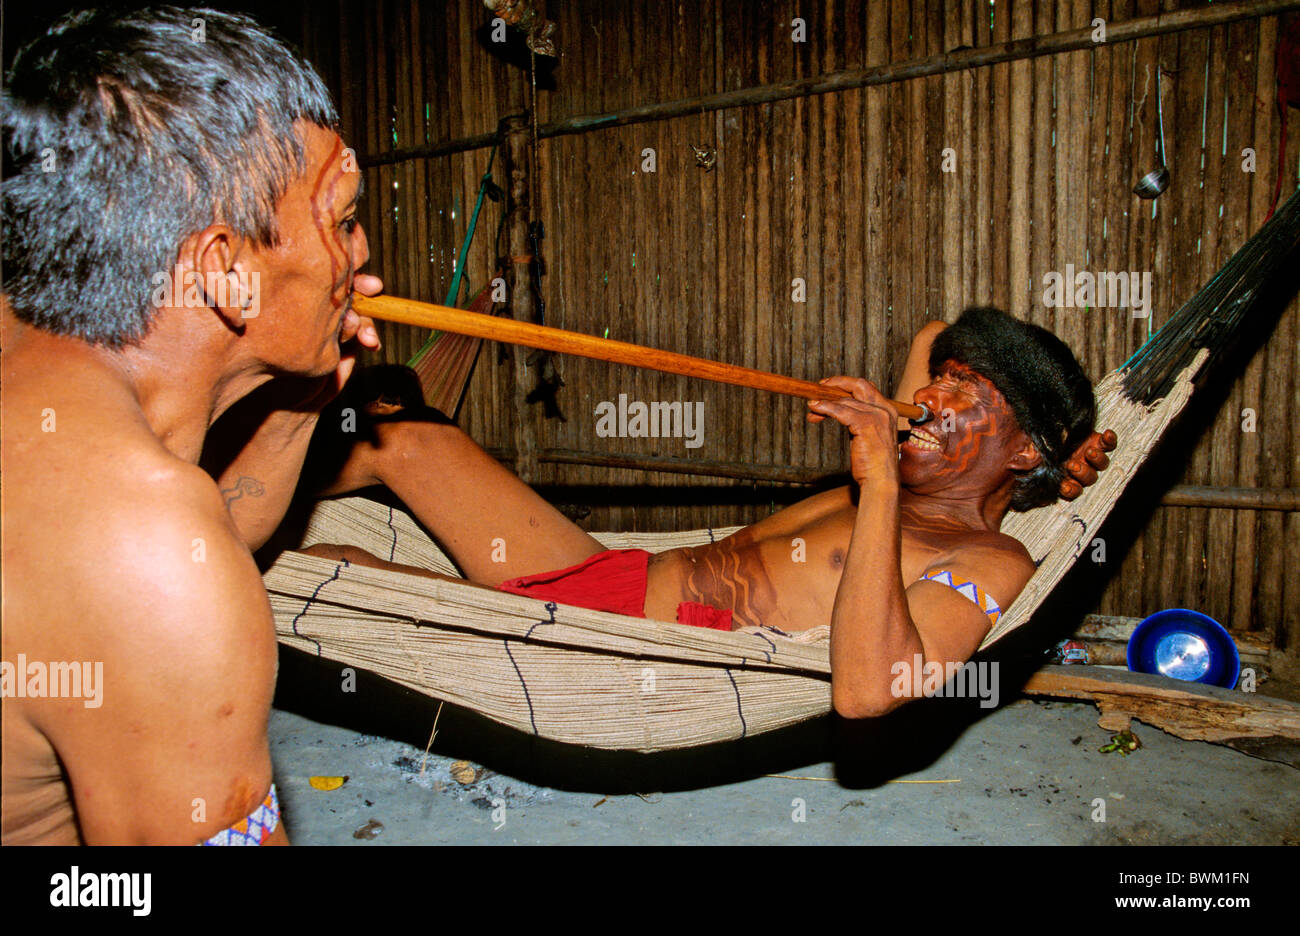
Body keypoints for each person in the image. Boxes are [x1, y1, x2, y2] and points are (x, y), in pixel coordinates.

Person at [289, 307, 1113, 720]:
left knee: (339, 579)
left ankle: (189, 566)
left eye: (966, 394)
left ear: (1021, 453)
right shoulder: (902, 474)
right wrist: (1056, 437)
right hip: (603, 577)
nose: (930, 400)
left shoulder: (988, 560)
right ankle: (204, 497)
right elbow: (940, 325)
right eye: (938, 383)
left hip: (610, 649)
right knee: (398, 432)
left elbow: (869, 693)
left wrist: (892, 483)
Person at [1, 8, 383, 844]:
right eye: (344, 219)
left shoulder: (39, 373)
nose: (356, 257)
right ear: (224, 271)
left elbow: (179, 564)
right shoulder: (145, 551)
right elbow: (158, 586)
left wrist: (300, 404)